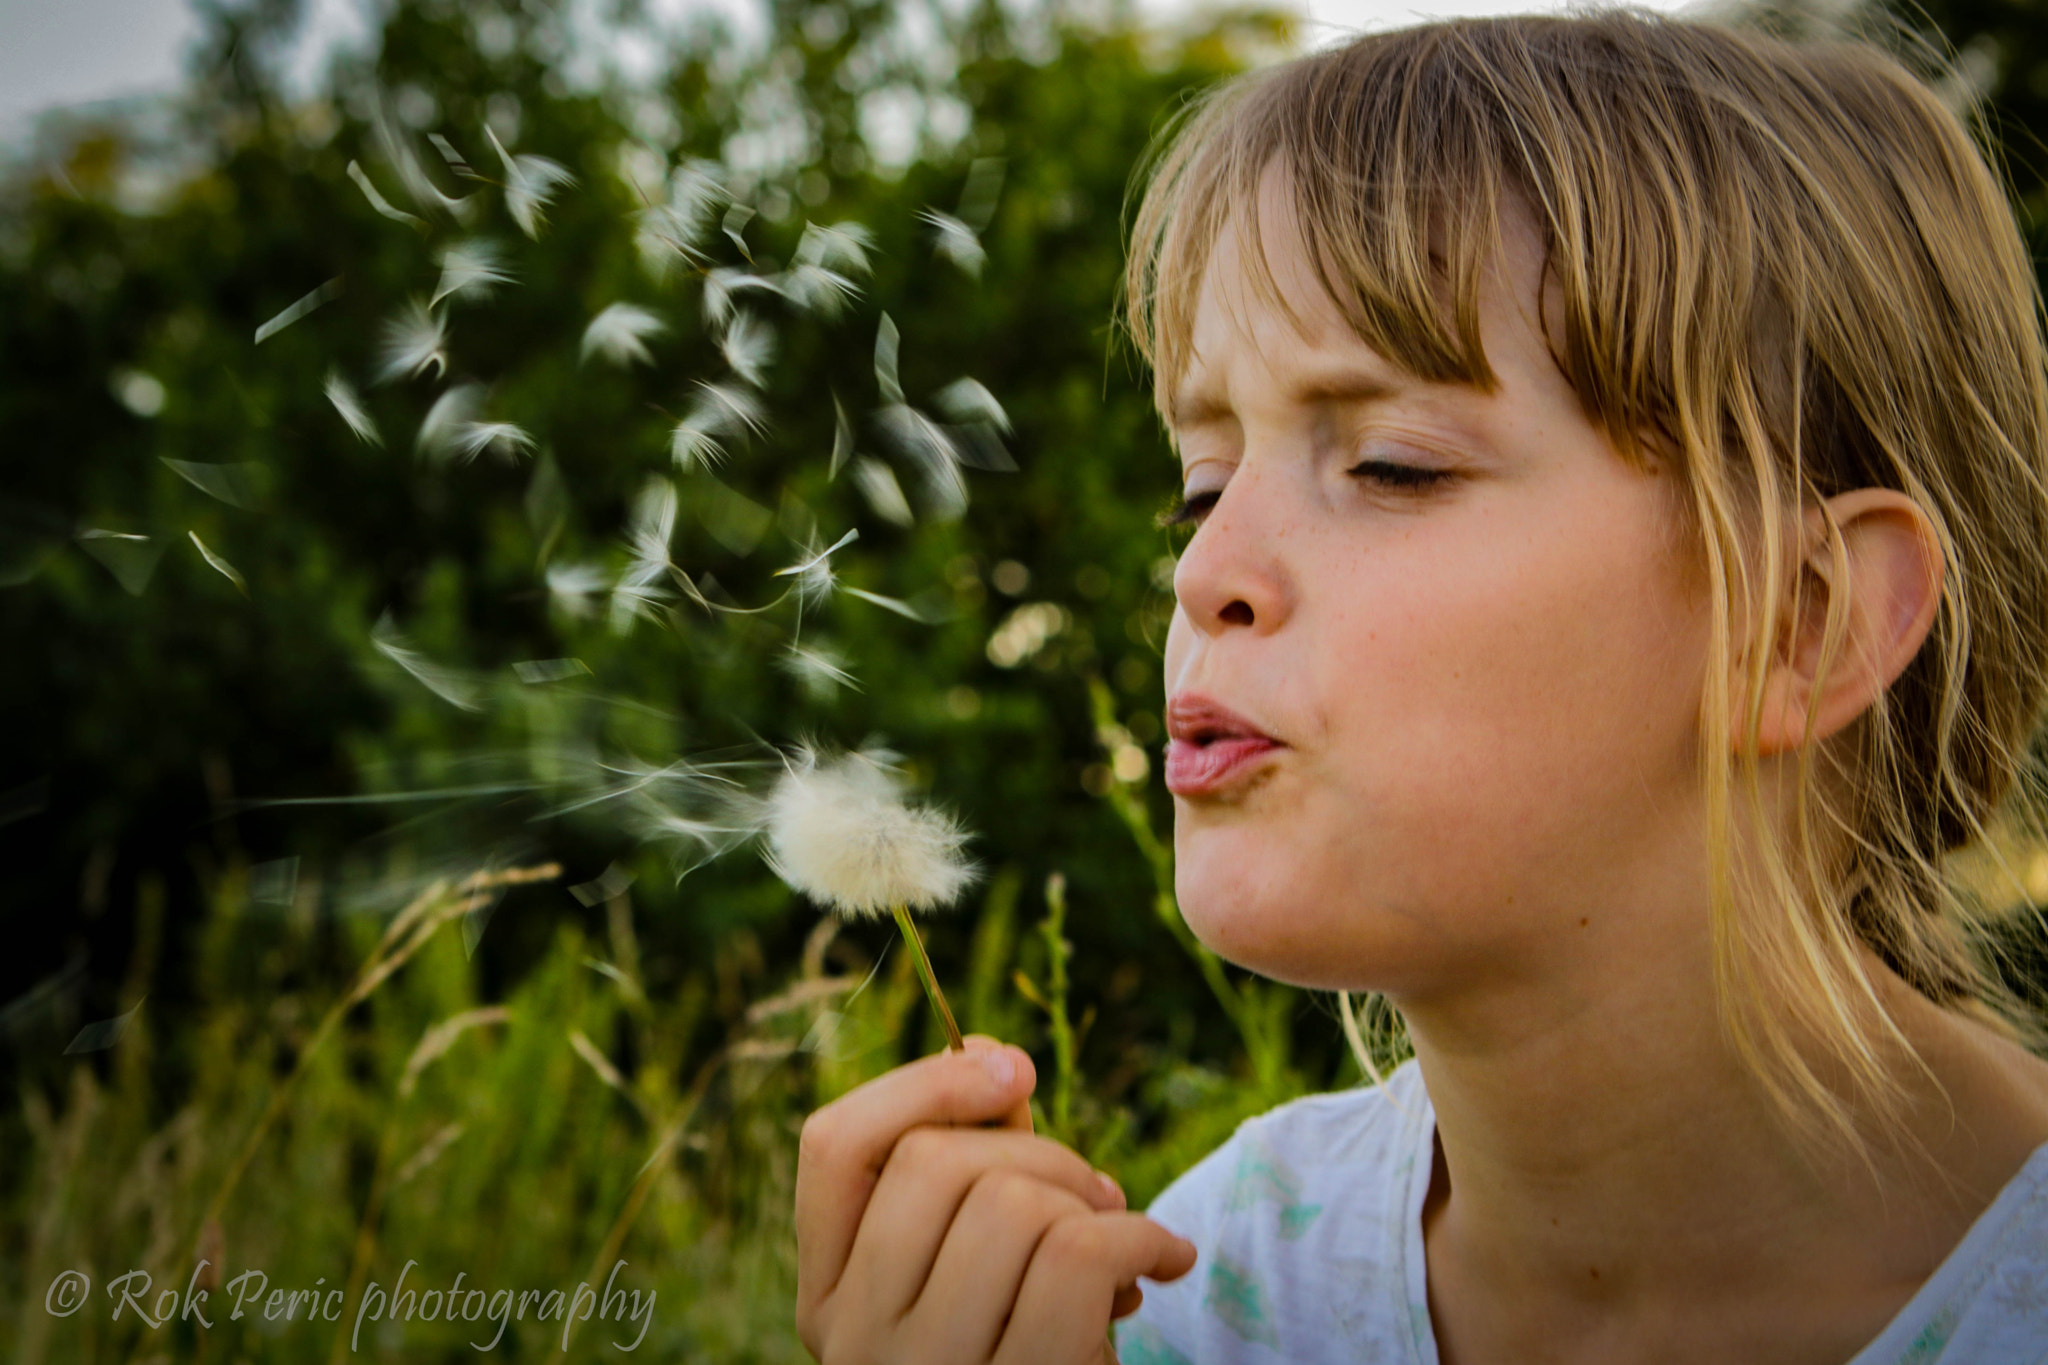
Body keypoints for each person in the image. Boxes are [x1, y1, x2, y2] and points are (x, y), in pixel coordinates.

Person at [792, 11, 2048, 1363]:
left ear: (1804, 624)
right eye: (1203, 485)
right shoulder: (1213, 1285)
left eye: (1393, 463)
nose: (1207, 566)